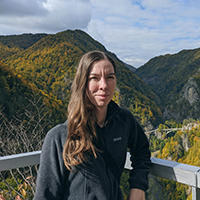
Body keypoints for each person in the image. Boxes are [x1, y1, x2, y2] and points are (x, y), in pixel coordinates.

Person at [34, 50, 151, 200]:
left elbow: (141, 151)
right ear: (83, 83)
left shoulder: (124, 121)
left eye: (110, 77)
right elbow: (46, 196)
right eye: (94, 78)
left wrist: (138, 187)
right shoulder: (59, 137)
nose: (104, 85)